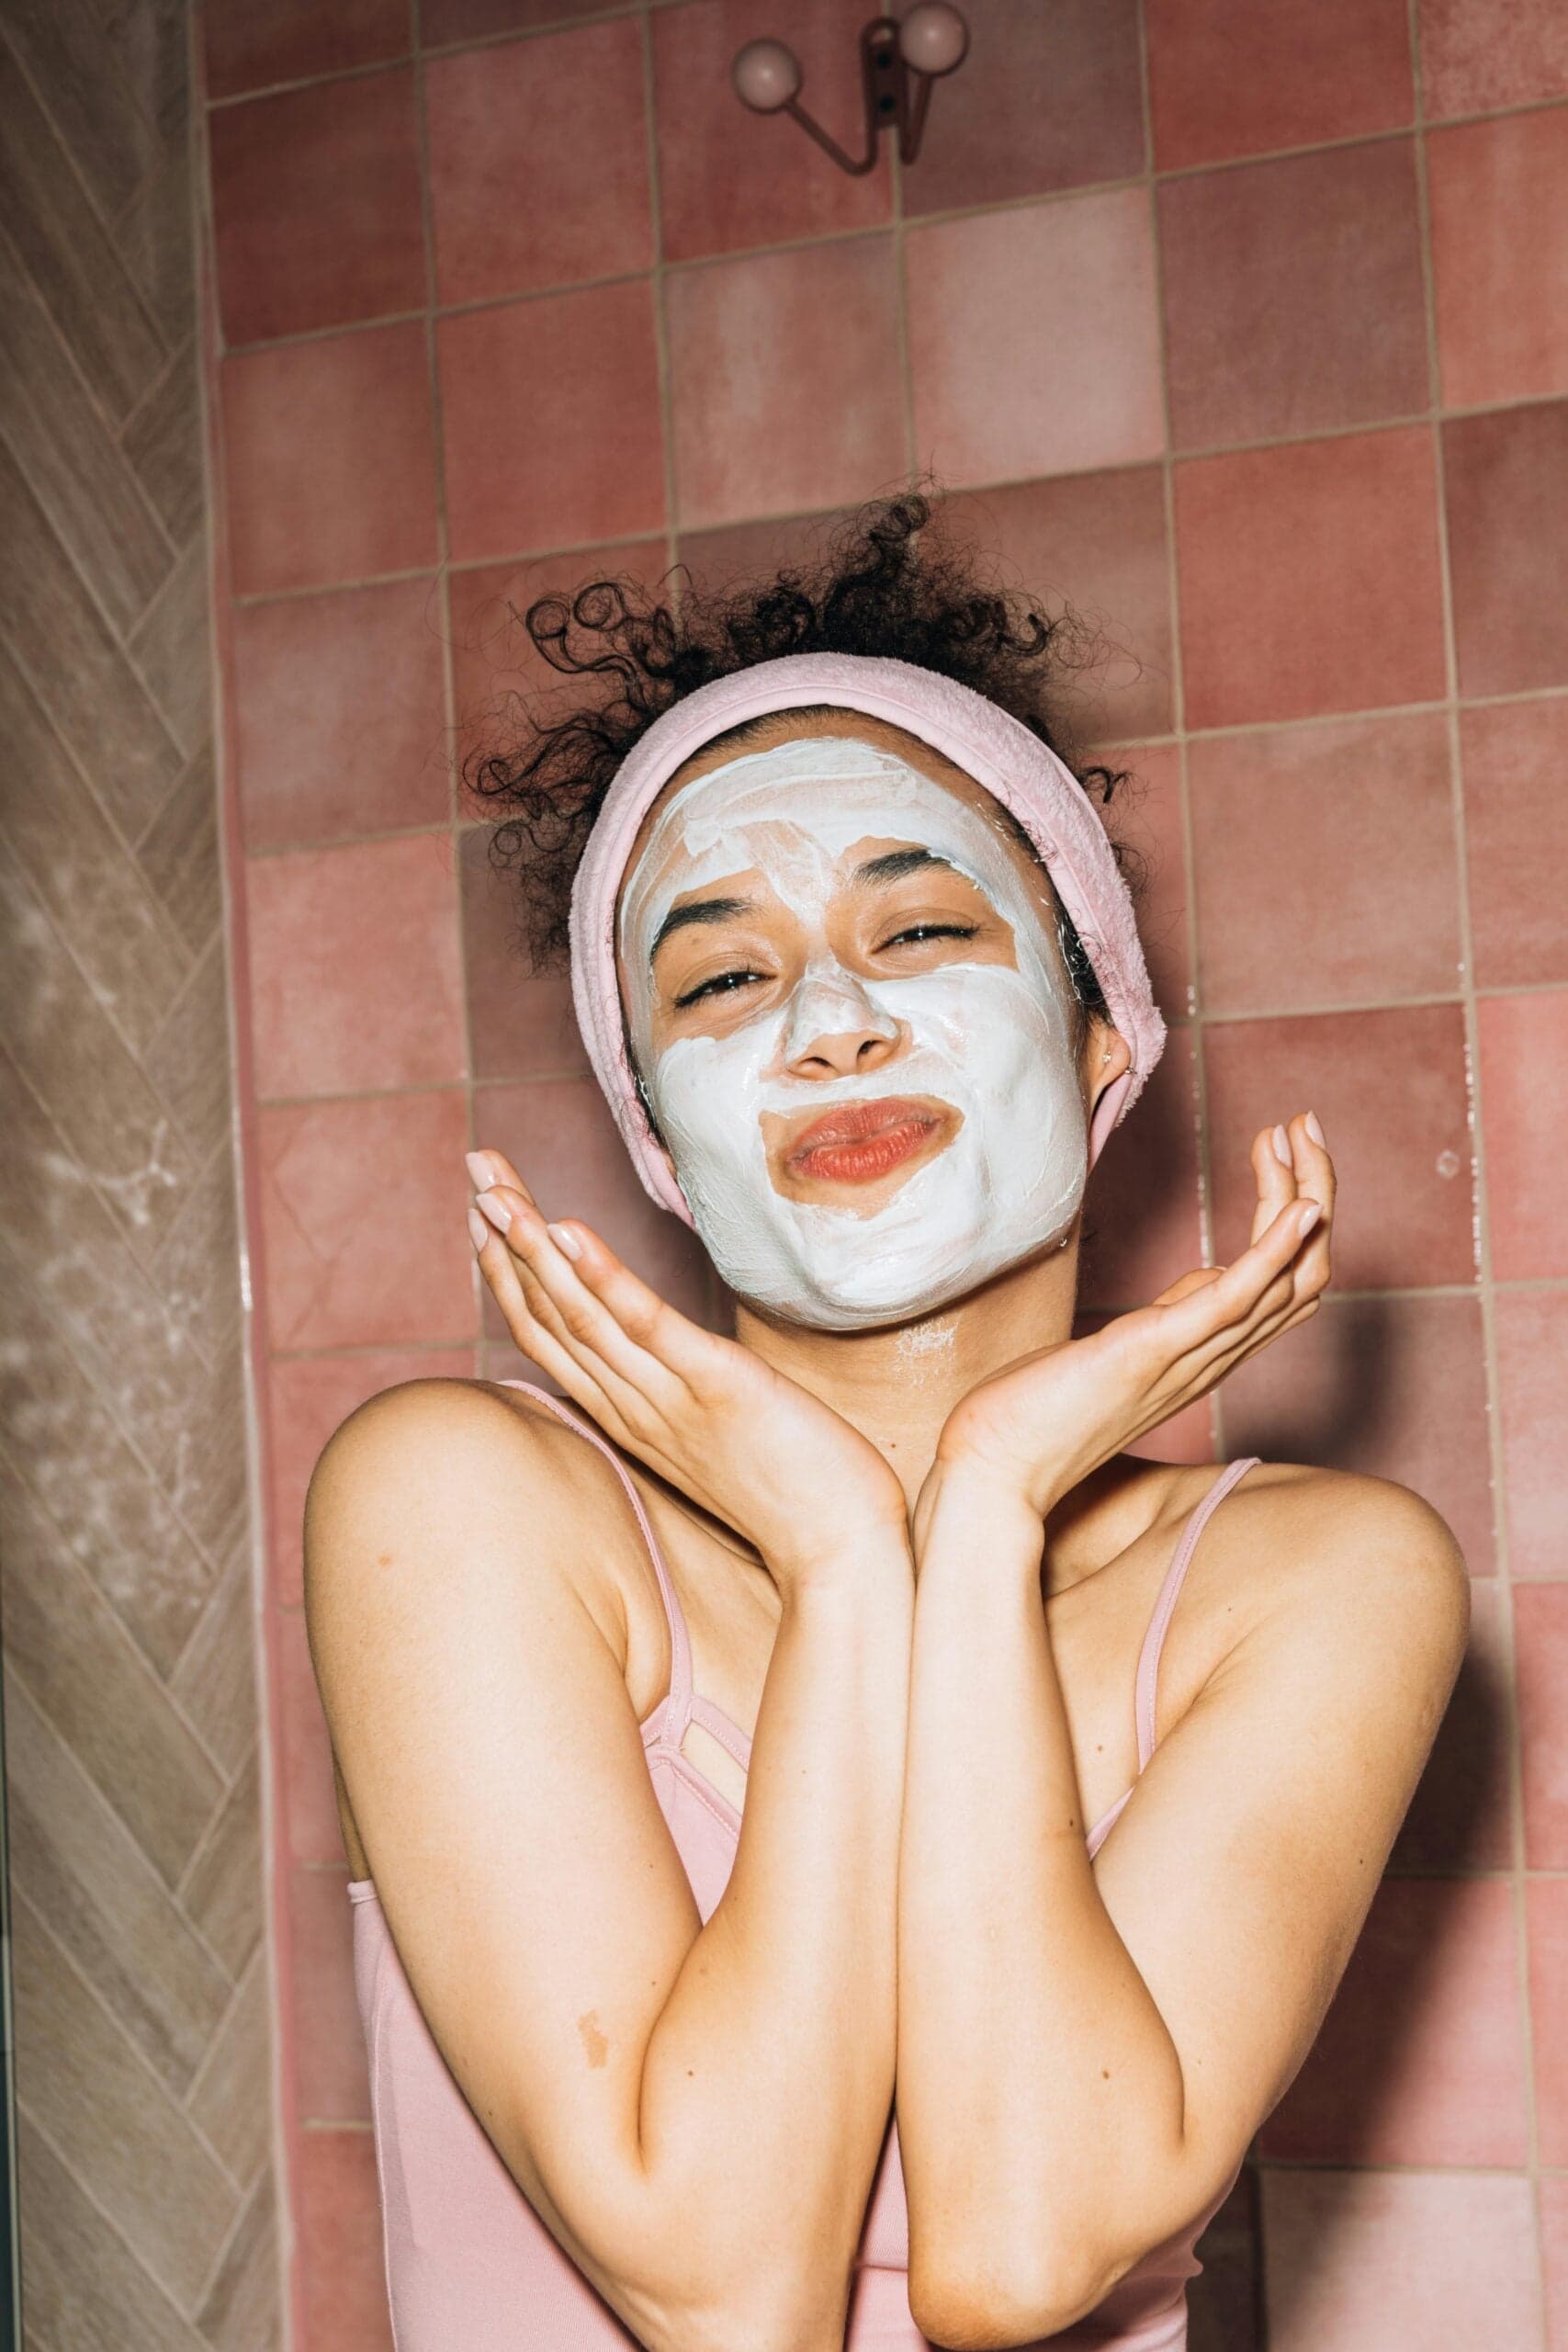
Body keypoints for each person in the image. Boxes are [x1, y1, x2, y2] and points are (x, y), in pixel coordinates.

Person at [304, 493, 1468, 2352]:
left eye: (916, 927)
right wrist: (848, 1553)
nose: (830, 1020)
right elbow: (719, 2286)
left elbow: (1024, 2252)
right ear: (658, 1139)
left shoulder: (1319, 1579)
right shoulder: (457, 1503)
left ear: (1104, 1039)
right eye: (722, 975)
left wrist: (984, 1506)